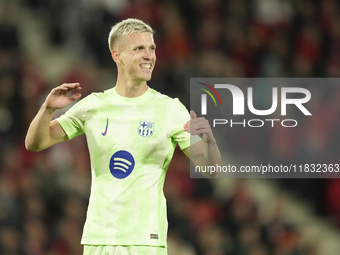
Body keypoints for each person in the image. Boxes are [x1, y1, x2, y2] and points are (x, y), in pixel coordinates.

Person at [25, 18, 221, 255]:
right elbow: (35, 142)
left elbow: (210, 168)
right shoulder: (94, 106)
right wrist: (47, 109)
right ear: (117, 56)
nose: (149, 55)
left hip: (145, 242)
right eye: (139, 49)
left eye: (152, 48)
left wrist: (209, 142)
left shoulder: (170, 109)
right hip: (99, 240)